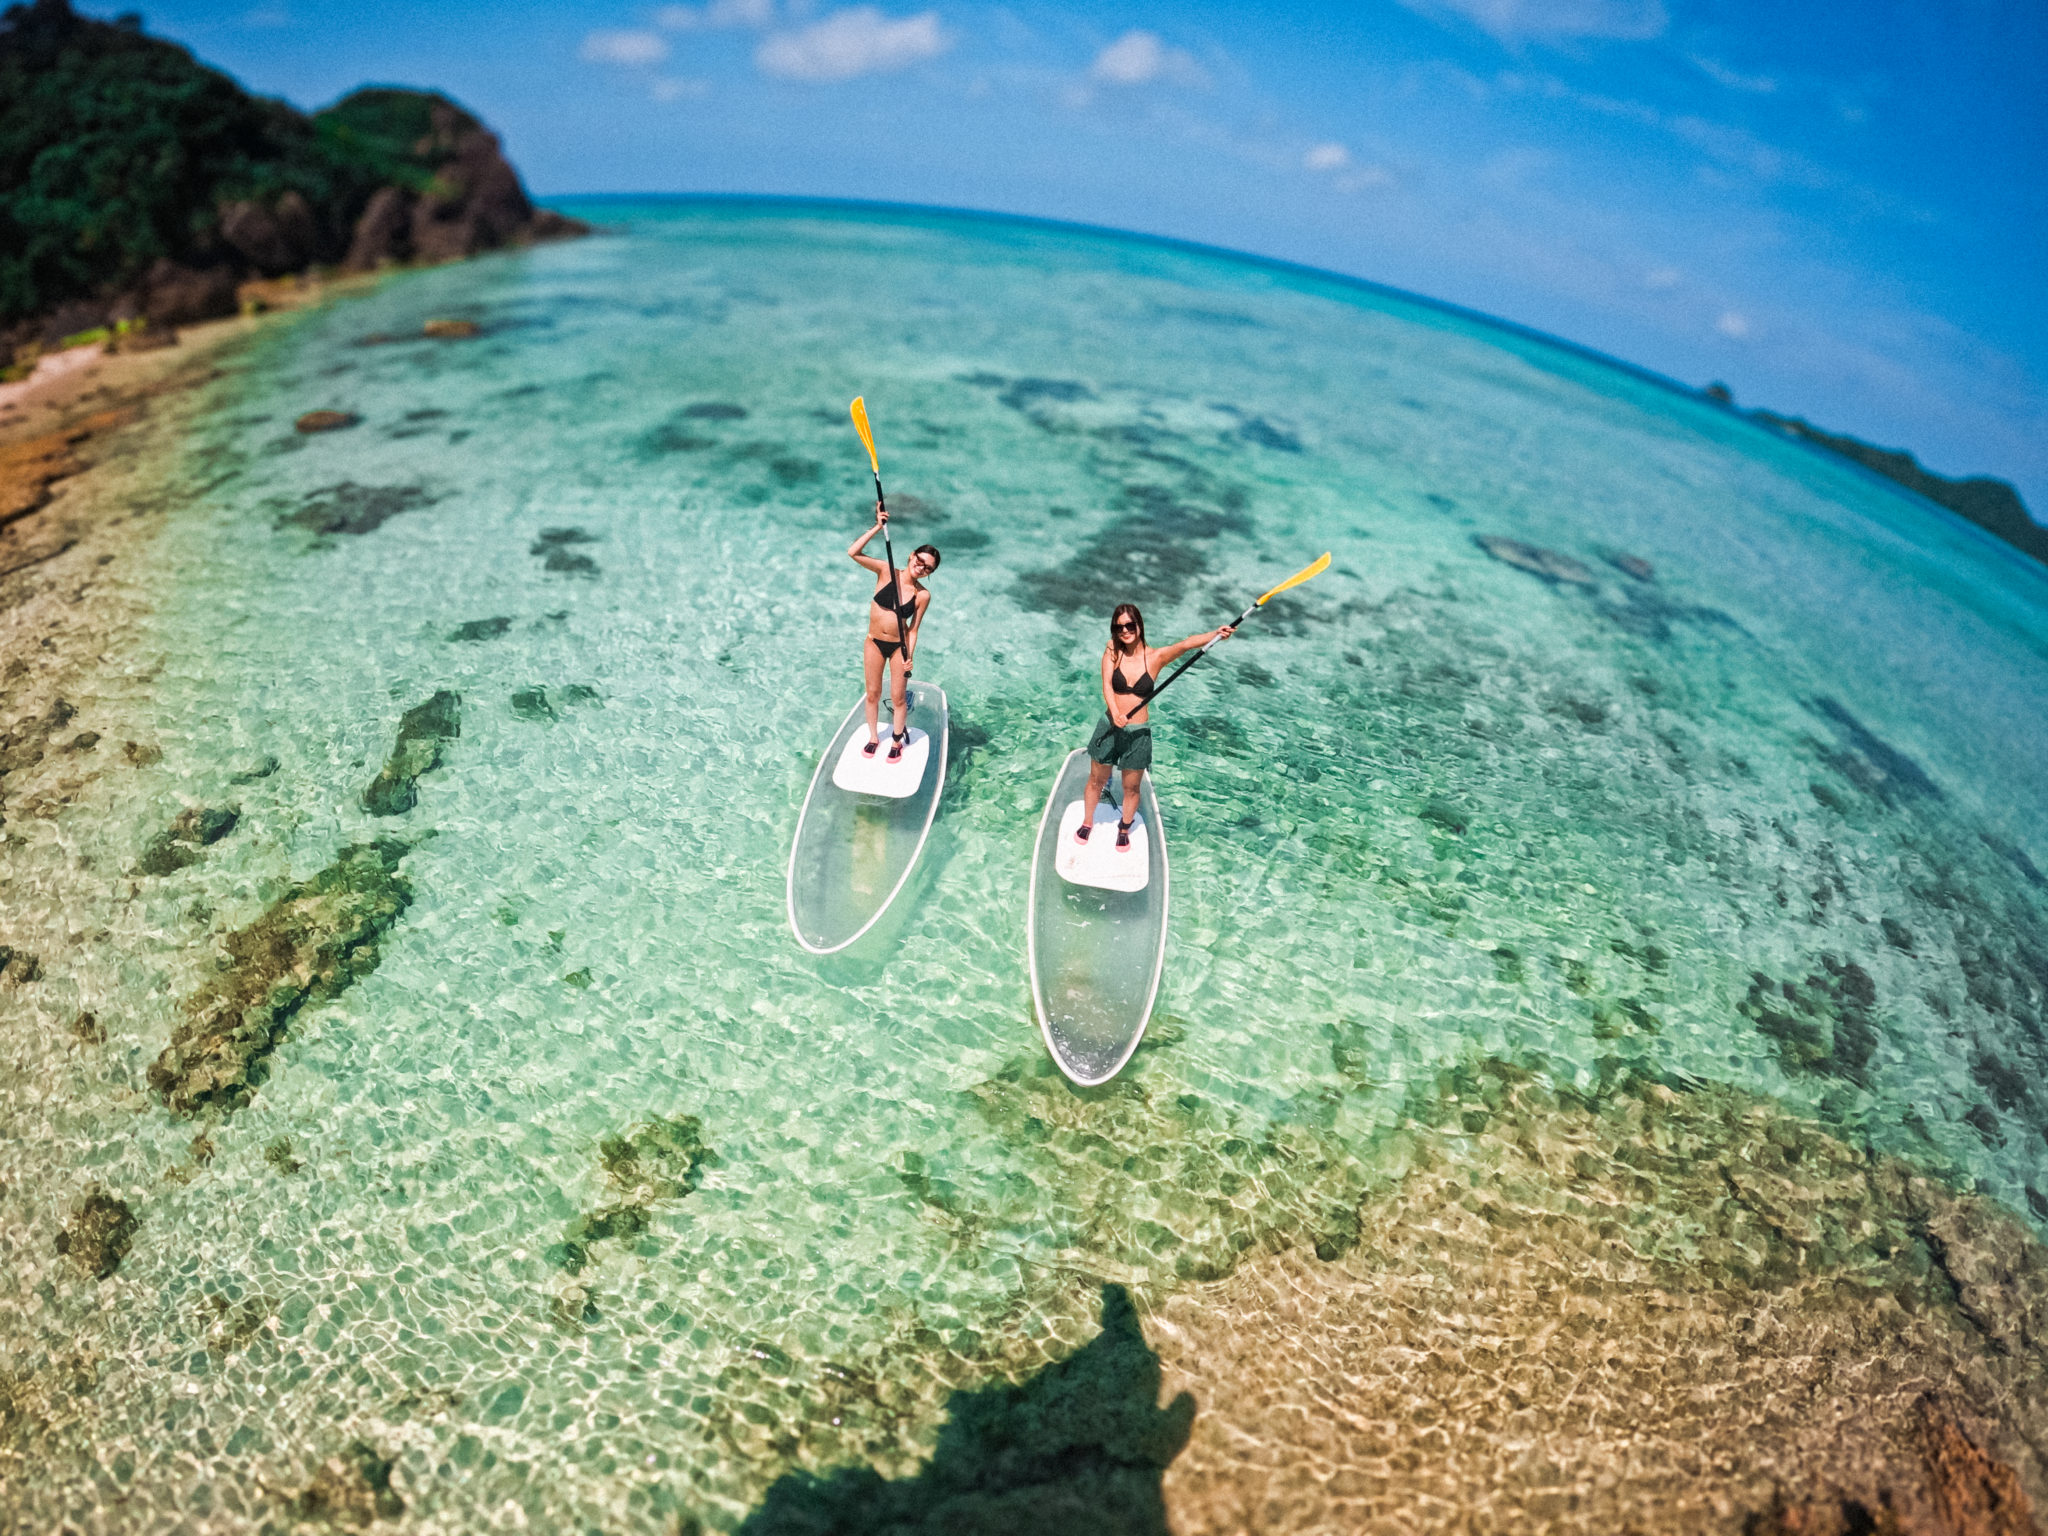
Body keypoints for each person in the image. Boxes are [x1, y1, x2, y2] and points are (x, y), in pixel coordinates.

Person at [1077, 602, 1233, 849]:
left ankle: (1124, 828)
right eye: (1119, 628)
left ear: (1139, 625)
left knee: (1131, 788)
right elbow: (1107, 684)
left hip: (1137, 734)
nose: (1125, 631)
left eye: (1130, 625)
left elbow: (1185, 644)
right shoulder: (1112, 650)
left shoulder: (1156, 657)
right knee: (1096, 780)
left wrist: (1215, 634)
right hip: (1109, 726)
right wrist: (1115, 713)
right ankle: (1087, 822)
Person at [847, 502, 940, 759]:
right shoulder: (886, 571)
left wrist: (910, 657)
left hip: (899, 647)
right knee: (873, 694)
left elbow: (913, 629)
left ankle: (897, 740)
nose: (921, 567)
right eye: (920, 560)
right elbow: (853, 552)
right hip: (874, 642)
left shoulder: (922, 595)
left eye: (928, 568)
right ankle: (873, 737)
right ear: (911, 555)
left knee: (898, 698)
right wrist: (877, 527)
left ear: (930, 572)